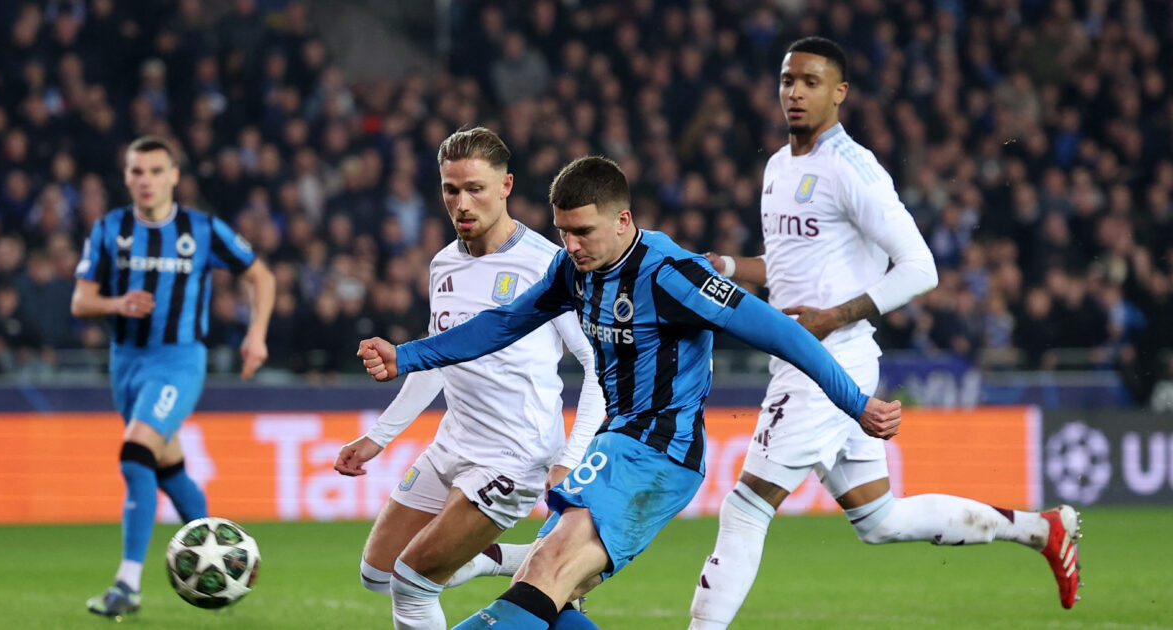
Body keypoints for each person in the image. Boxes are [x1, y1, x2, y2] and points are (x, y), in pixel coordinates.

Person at [357, 155, 904, 630]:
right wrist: (407, 356)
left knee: (547, 571)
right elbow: (502, 324)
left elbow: (783, 333)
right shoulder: (572, 270)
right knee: (555, 591)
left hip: (658, 452)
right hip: (617, 443)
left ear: (623, 220)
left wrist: (856, 404)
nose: (571, 246)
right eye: (563, 232)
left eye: (583, 232)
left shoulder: (671, 275)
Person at [687, 37, 1082, 629]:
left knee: (744, 508)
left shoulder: (853, 169)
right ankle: (1040, 529)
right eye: (788, 80)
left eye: (811, 82)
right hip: (809, 358)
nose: (796, 92)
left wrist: (831, 318)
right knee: (880, 520)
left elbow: (921, 268)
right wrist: (726, 266)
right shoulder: (778, 167)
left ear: (839, 93)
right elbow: (789, 268)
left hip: (827, 365)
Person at [333, 127, 605, 630]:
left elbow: (598, 365)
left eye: (475, 189)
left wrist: (570, 458)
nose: (461, 203)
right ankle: (518, 560)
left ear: (505, 186)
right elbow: (439, 357)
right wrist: (378, 437)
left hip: (515, 454)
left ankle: (546, 565)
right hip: (453, 444)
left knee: (411, 584)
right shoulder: (443, 265)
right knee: (377, 572)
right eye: (450, 189)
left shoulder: (548, 265)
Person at [73, 135, 275, 617]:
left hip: (178, 361)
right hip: (126, 364)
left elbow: (261, 276)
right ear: (127, 178)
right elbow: (81, 301)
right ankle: (225, 567)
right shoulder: (109, 229)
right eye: (137, 171)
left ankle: (127, 585)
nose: (146, 180)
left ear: (174, 176)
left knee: (135, 454)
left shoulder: (200, 229)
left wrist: (256, 335)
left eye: (156, 171)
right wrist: (117, 304)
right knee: (168, 470)